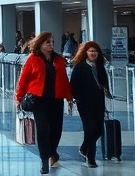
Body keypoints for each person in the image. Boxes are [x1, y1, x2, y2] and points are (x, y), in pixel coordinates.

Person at [15, 32, 73, 174]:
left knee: (56, 130)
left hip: (56, 99)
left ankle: (53, 151)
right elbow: (23, 79)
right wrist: (18, 97)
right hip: (39, 100)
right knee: (43, 130)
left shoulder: (58, 60)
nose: (51, 45)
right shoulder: (33, 59)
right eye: (48, 42)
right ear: (40, 43)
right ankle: (44, 160)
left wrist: (69, 97)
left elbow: (64, 80)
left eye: (52, 42)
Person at [69, 41, 109, 168]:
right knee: (90, 128)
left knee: (98, 130)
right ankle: (90, 157)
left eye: (95, 51)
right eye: (90, 51)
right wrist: (77, 98)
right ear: (85, 52)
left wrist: (105, 89)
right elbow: (73, 85)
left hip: (99, 102)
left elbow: (104, 82)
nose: (93, 53)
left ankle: (83, 147)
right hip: (85, 103)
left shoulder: (100, 66)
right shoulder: (80, 67)